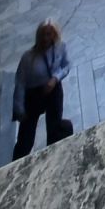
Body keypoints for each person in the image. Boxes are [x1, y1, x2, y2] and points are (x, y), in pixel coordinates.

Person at [12, 20, 71, 158]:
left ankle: (54, 156)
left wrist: (55, 78)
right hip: (33, 95)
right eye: (43, 35)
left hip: (53, 91)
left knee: (54, 128)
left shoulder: (60, 48)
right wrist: (19, 108)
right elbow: (20, 83)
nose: (46, 38)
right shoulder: (28, 58)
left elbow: (66, 66)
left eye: (49, 34)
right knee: (26, 136)